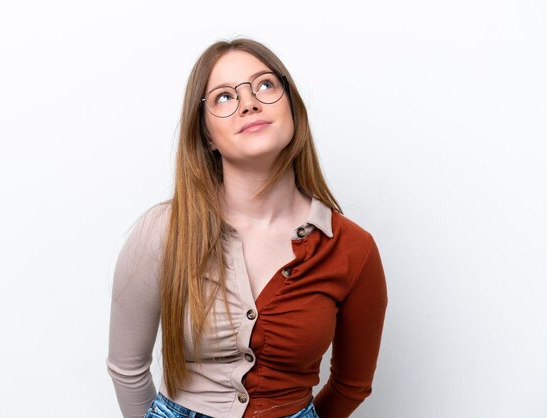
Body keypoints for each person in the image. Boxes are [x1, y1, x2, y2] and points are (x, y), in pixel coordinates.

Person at [107, 38, 388, 418]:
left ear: (293, 108)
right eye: (224, 97)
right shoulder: (163, 230)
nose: (249, 102)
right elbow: (128, 368)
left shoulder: (352, 248)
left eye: (265, 85)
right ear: (206, 135)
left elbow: (352, 385)